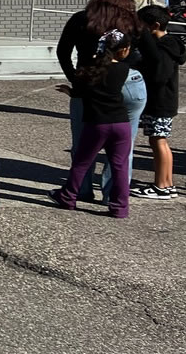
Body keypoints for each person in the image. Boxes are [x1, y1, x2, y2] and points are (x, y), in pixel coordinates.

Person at [56, 0, 143, 202]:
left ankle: (80, 190)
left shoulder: (81, 19)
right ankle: (114, 197)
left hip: (90, 80)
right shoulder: (132, 20)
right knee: (123, 148)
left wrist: (75, 78)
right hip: (128, 79)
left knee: (83, 143)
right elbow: (145, 53)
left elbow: (63, 51)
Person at [51, 30, 136, 218]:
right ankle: (120, 207)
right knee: (119, 166)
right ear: (122, 50)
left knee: (82, 162)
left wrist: (70, 92)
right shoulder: (123, 69)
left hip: (97, 123)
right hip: (121, 123)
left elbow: (82, 91)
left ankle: (68, 196)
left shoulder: (89, 70)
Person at [131, 4, 183, 200]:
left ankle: (160, 185)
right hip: (165, 101)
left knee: (158, 141)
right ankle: (167, 184)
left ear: (155, 25)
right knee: (161, 141)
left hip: (160, 101)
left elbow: (160, 74)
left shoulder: (163, 48)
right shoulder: (170, 44)